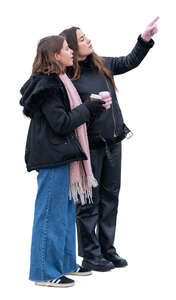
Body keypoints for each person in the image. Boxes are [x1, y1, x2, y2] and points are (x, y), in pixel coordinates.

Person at [60, 17, 159, 272]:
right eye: (82, 39)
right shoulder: (68, 78)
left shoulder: (102, 65)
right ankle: (91, 255)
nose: (88, 40)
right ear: (71, 47)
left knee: (110, 199)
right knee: (89, 203)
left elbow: (129, 61)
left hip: (114, 143)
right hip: (89, 149)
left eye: (86, 36)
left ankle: (107, 249)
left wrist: (144, 40)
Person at [19, 35, 106, 287]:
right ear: (55, 56)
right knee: (49, 215)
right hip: (51, 158)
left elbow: (68, 118)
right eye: (67, 48)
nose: (71, 51)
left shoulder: (60, 81)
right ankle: (45, 273)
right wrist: (89, 108)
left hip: (61, 156)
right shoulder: (47, 85)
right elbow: (61, 123)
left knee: (65, 214)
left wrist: (92, 107)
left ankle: (66, 264)